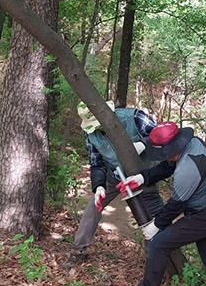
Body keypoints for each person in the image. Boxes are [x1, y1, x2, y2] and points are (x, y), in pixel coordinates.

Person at [117, 122, 206, 286]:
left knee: (160, 243)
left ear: (172, 148)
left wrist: (155, 226)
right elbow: (167, 166)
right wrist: (142, 178)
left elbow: (175, 206)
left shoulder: (187, 170)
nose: (164, 157)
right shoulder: (192, 144)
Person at [63, 102, 164, 268]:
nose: (97, 128)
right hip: (114, 175)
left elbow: (161, 137)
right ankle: (78, 250)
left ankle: (153, 264)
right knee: (93, 207)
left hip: (143, 175)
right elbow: (96, 163)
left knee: (151, 219)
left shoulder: (134, 117)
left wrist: (144, 144)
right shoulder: (90, 133)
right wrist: (98, 186)